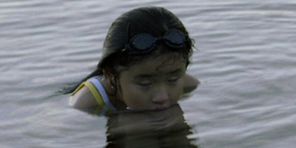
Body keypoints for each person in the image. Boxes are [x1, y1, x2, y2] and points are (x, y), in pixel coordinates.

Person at [69, 7, 199, 116]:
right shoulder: (87, 102)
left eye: (172, 80)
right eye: (145, 83)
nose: (162, 97)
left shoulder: (186, 83)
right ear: (111, 77)